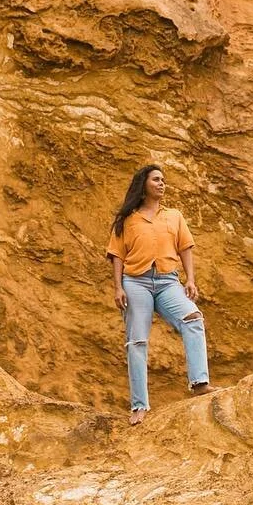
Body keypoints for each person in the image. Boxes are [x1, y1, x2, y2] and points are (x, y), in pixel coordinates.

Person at [106, 164, 214, 425]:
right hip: (136, 282)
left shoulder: (174, 216)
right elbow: (117, 255)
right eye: (156, 179)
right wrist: (118, 286)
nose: (162, 183)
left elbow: (185, 247)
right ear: (143, 185)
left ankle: (199, 382)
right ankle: (139, 406)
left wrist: (190, 279)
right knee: (137, 341)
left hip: (168, 281)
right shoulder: (127, 220)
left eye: (163, 180)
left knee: (193, 318)